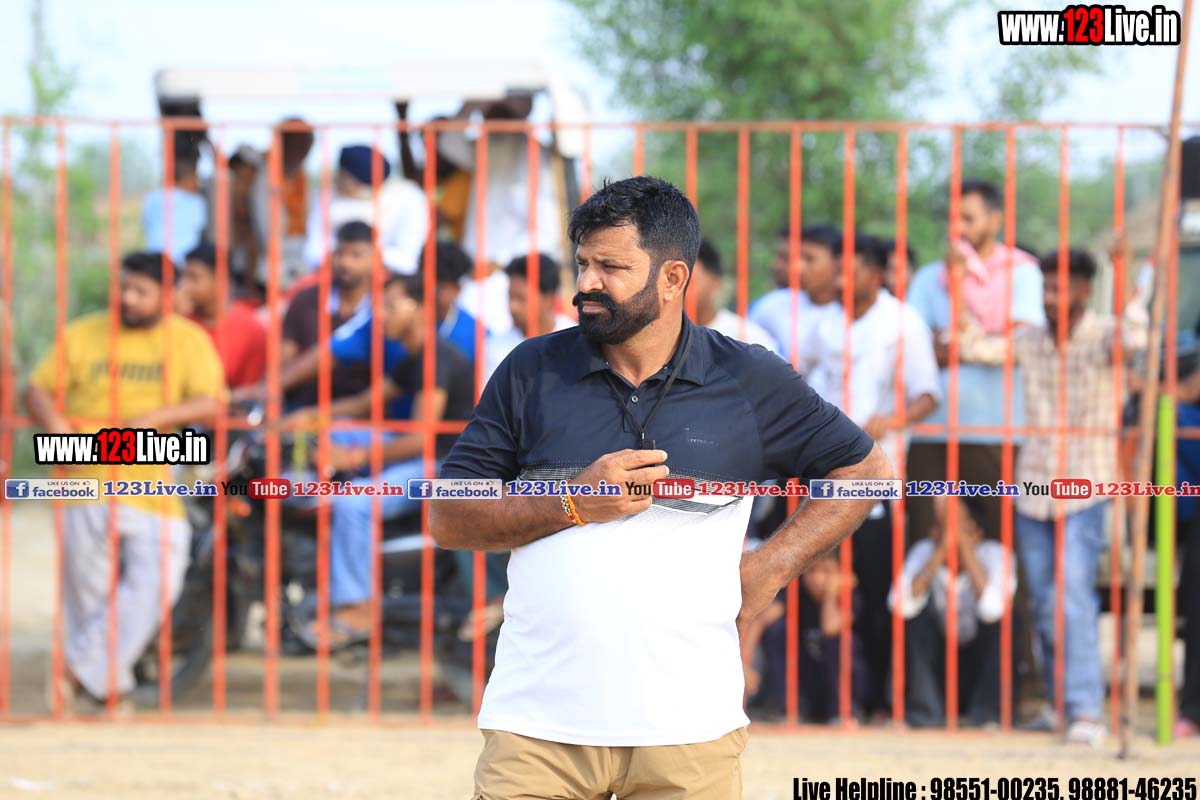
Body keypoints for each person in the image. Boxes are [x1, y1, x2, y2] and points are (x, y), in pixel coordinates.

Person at [429, 176, 892, 799]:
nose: (587, 282)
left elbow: (866, 471)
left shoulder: (747, 377)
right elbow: (449, 516)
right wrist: (572, 503)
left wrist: (771, 567)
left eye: (611, 267)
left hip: (690, 733)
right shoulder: (531, 370)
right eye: (583, 263)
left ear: (674, 278)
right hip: (536, 731)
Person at [23, 251, 225, 710]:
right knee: (88, 594)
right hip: (83, 468)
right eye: (124, 287)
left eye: (141, 291)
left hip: (152, 477)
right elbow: (35, 389)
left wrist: (158, 417)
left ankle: (78, 670)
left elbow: (213, 403)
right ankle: (110, 690)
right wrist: (54, 424)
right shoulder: (82, 334)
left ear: (168, 296)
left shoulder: (187, 340)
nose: (128, 298)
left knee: (161, 578)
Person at [287, 273, 475, 646]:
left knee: (353, 503)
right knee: (335, 430)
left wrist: (354, 456)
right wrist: (309, 417)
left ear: (419, 309)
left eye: (390, 306)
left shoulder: (436, 360)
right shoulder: (414, 356)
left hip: (442, 468)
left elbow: (421, 439)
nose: (381, 316)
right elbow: (363, 404)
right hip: (423, 453)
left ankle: (358, 606)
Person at [1010, 247, 1150, 746]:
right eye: (1046, 288)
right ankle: (1060, 704)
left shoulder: (1105, 336)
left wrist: (1126, 273)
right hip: (1033, 486)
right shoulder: (1030, 339)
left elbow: (1136, 338)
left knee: (1072, 596)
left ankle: (1086, 708)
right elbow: (975, 346)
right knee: (1044, 601)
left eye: (1061, 288)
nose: (1051, 297)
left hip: (1086, 485)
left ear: (1086, 291)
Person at [798, 231, 942, 718]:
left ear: (876, 275)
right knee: (820, 585)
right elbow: (799, 374)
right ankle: (824, 701)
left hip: (877, 474)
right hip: (821, 473)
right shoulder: (822, 321)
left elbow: (928, 394)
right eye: (838, 269)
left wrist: (893, 419)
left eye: (851, 270)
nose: (841, 278)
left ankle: (877, 699)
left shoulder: (903, 322)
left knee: (875, 590)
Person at [906, 178, 1042, 544]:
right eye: (952, 218)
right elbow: (912, 351)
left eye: (968, 218)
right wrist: (982, 345)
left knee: (1000, 538)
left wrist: (954, 343)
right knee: (927, 536)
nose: (957, 228)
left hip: (999, 428)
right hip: (933, 429)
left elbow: (1021, 346)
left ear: (995, 220)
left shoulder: (1023, 274)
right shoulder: (928, 278)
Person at [889, 495, 1016, 728]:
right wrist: (941, 551)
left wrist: (964, 547)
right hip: (939, 668)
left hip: (979, 667)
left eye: (954, 523)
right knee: (914, 618)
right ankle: (925, 714)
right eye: (940, 524)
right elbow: (899, 606)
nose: (941, 531)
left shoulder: (996, 554)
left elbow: (993, 610)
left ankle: (987, 715)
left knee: (1009, 622)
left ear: (976, 532)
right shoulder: (925, 550)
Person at [443, 96, 564, 337]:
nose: (490, 120)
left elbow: (547, 233)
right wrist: (475, 100)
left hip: (513, 277)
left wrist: (499, 262)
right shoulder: (485, 149)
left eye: (498, 114)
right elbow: (449, 142)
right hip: (475, 273)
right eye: (487, 114)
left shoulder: (537, 157)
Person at [742, 549, 868, 724]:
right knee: (779, 630)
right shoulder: (796, 594)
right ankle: (790, 709)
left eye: (827, 571)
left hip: (840, 686)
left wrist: (831, 594)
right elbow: (759, 622)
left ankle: (845, 712)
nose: (817, 578)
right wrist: (744, 665)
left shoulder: (851, 597)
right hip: (806, 682)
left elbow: (830, 628)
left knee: (843, 641)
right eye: (812, 570)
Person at [301, 145, 429, 278]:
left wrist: (364, 259)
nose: (338, 181)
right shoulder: (328, 196)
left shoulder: (408, 196)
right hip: (335, 275)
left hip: (390, 277)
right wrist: (345, 260)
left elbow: (407, 259)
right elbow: (314, 250)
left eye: (344, 177)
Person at [178, 241, 267, 389]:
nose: (184, 286)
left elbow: (250, 391)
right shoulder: (178, 322)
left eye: (193, 277)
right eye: (183, 277)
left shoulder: (251, 328)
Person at [748, 224, 842, 361]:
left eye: (809, 259)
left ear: (837, 263)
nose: (799, 267)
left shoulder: (855, 310)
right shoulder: (770, 305)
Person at [484, 253, 576, 382]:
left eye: (521, 298)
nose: (512, 307)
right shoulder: (496, 347)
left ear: (548, 299)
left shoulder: (575, 341)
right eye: (510, 297)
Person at [691, 239, 779, 353]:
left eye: (690, 280)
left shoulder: (749, 339)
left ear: (714, 281)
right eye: (672, 278)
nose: (678, 287)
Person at [142, 143, 208, 265]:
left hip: (155, 262)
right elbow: (202, 229)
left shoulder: (151, 198)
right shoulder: (196, 202)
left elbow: (147, 224)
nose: (197, 184)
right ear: (187, 178)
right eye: (195, 178)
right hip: (184, 263)